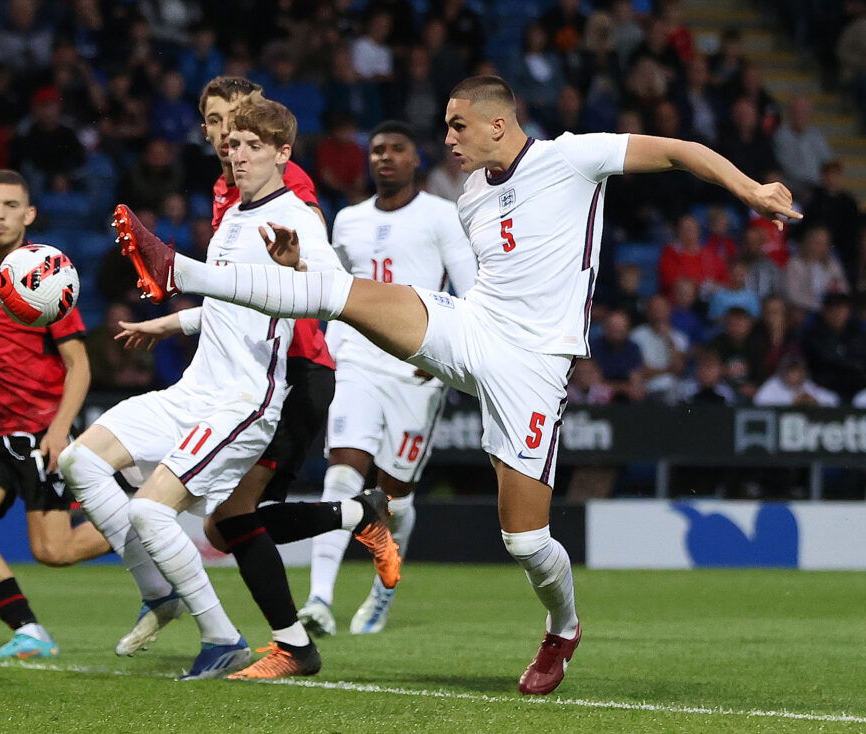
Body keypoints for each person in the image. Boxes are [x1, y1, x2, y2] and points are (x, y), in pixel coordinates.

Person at [121, 74, 799, 695]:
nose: (446, 140)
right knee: (334, 294)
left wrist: (750, 190)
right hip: (470, 325)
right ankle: (178, 270)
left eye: (456, 126)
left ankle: (562, 628)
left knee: (526, 544)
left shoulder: (572, 157)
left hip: (532, 365)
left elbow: (679, 150)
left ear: (497, 125)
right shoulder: (470, 194)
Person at [63, 97, 396, 681]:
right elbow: (227, 306)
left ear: (282, 153)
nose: (235, 153)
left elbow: (338, 289)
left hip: (244, 401)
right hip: (195, 389)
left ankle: (223, 638)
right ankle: (160, 594)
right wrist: (175, 321)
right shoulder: (234, 216)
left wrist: (298, 270)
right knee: (79, 460)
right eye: (230, 143)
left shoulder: (298, 216)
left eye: (250, 145)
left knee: (164, 513)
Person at [298, 121, 476, 638]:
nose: (385, 158)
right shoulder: (348, 221)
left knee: (393, 500)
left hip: (416, 369)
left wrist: (445, 352)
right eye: (377, 150)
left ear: (415, 159)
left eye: (397, 150)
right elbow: (333, 293)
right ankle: (318, 600)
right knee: (342, 474)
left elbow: (468, 290)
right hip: (355, 360)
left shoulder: (443, 217)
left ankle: (383, 589)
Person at [0, 169, 109, 660]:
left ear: (29, 214)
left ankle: (146, 523)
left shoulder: (46, 274)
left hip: (39, 430)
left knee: (52, 551)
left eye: (10, 205)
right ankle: (28, 630)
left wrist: (58, 431)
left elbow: (79, 365)